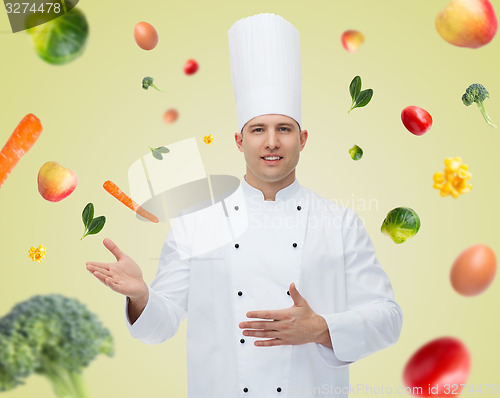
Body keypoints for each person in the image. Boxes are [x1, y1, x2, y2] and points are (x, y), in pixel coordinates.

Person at [86, 13, 402, 398]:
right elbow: (160, 326)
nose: (271, 142)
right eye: (258, 130)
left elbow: (388, 318)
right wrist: (141, 296)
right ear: (239, 140)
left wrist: (321, 327)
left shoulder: (340, 223)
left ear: (303, 138)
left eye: (284, 129)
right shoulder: (197, 223)